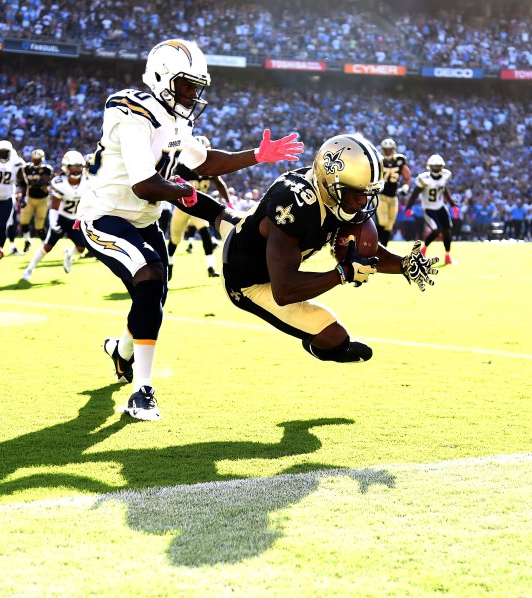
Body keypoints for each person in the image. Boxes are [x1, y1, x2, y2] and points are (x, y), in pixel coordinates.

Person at [76, 38, 304, 421]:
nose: (193, 93)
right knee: (148, 276)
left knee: (152, 295)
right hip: (105, 216)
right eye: (186, 84)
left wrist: (256, 156)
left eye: (197, 85)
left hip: (144, 221)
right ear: (163, 78)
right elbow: (146, 184)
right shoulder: (131, 111)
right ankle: (141, 391)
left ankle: (123, 352)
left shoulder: (178, 122)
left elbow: (205, 163)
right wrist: (197, 198)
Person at [207, 134, 439, 371]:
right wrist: (342, 273)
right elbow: (284, 290)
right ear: (330, 183)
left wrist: (403, 265)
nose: (362, 201)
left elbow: (363, 250)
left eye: (367, 193)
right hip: (248, 280)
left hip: (249, 234)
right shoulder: (296, 205)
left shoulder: (335, 191)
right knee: (334, 340)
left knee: (216, 213)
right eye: (356, 193)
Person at [167, 135, 229, 280]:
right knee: (175, 239)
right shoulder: (181, 167)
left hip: (198, 207)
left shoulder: (210, 169)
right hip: (182, 207)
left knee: (204, 231)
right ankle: (169, 266)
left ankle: (210, 267)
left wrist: (229, 201)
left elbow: (220, 184)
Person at [21, 151, 89, 280]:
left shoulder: (88, 181)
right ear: (66, 168)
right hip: (62, 217)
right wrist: (53, 222)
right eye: (72, 167)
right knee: (47, 246)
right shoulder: (59, 182)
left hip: (77, 219)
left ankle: (69, 254)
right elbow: (55, 206)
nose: (76, 170)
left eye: (78, 166)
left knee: (81, 248)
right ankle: (29, 269)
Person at [404, 154, 456, 265]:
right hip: (428, 208)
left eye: (438, 166)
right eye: (435, 166)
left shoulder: (445, 175)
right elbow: (414, 195)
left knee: (447, 231)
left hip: (440, 206)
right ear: (430, 166)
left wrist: (452, 204)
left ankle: (447, 256)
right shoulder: (424, 179)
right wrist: (408, 207)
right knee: (436, 231)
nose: (437, 168)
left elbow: (444, 190)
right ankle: (423, 251)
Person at [376, 138, 411, 246]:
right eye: (386, 149)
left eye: (390, 149)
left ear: (394, 149)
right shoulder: (378, 160)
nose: (388, 151)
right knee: (383, 221)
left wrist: (405, 187)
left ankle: (384, 248)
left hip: (393, 196)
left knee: (389, 225)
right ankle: (376, 246)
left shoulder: (399, 161)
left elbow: (407, 177)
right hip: (380, 195)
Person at [20, 149, 54, 252]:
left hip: (43, 199)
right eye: (35, 159)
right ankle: (27, 240)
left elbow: (43, 182)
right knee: (23, 221)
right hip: (29, 198)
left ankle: (45, 244)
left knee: (39, 225)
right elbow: (22, 182)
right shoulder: (26, 168)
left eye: (38, 159)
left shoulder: (46, 169)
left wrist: (30, 183)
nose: (36, 161)